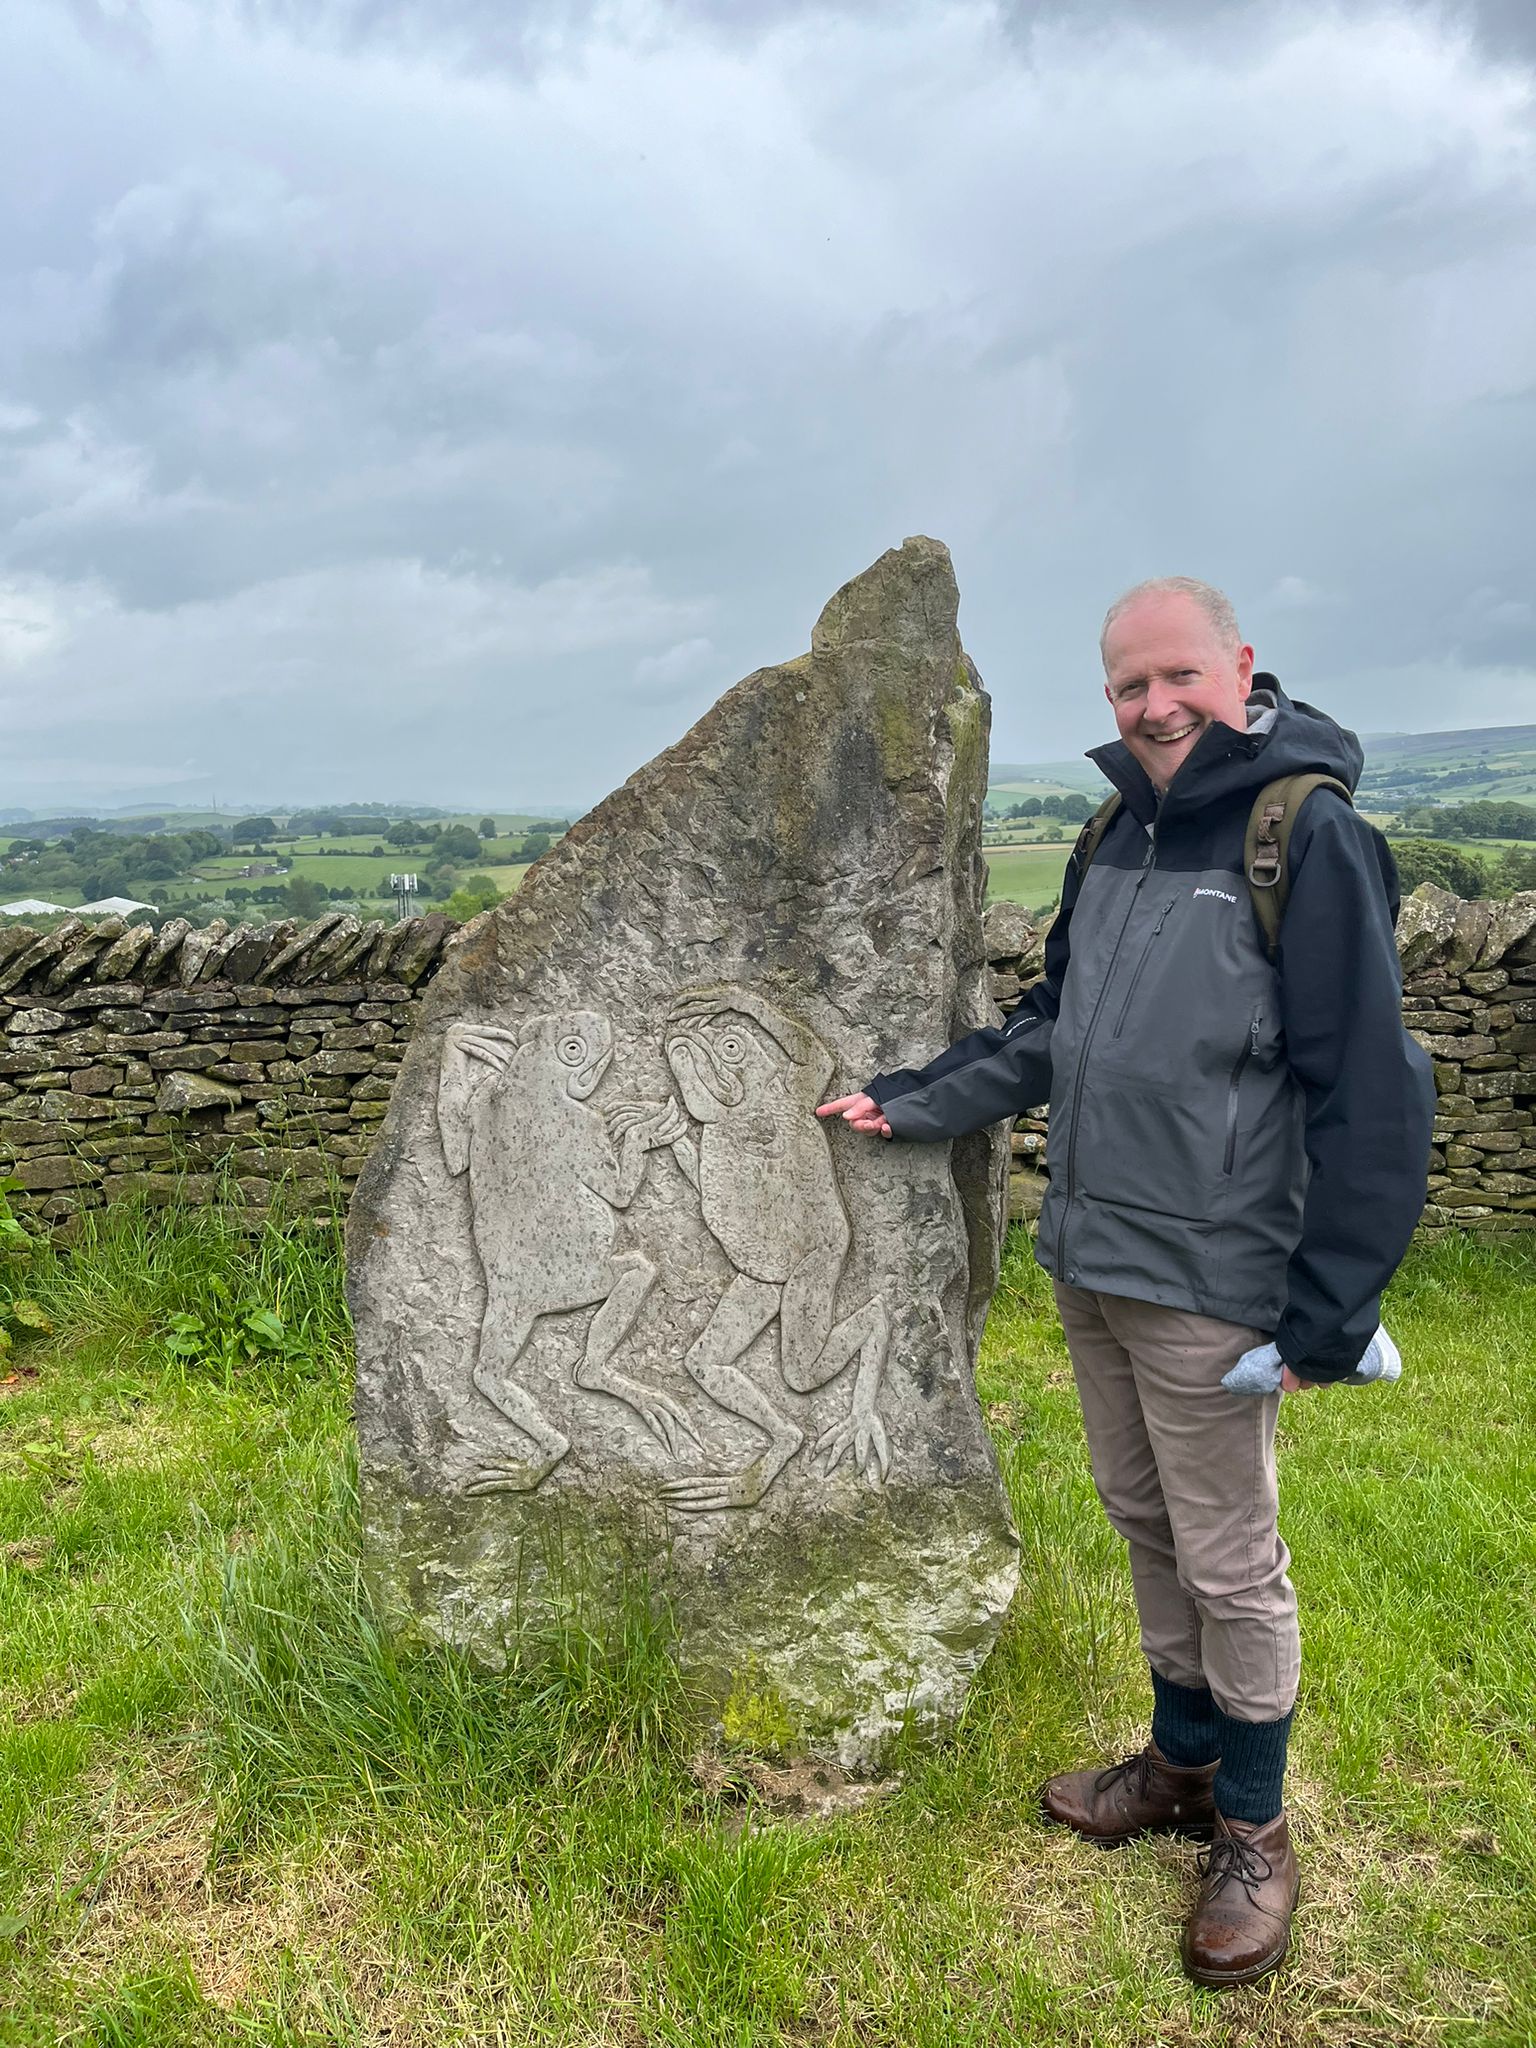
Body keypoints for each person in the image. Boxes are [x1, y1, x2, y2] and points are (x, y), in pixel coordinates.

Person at [818, 577, 1435, 1988]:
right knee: (1143, 1518)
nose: (1153, 707)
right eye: (1125, 687)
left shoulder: (1306, 834)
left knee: (1230, 1555)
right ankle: (1180, 1763)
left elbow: (1375, 1094)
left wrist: (1329, 1309)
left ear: (1240, 668)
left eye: (1176, 677)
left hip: (1215, 1278)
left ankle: (1259, 1833)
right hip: (1094, 1254)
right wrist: (916, 1100)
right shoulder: (1112, 833)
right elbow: (1054, 1030)